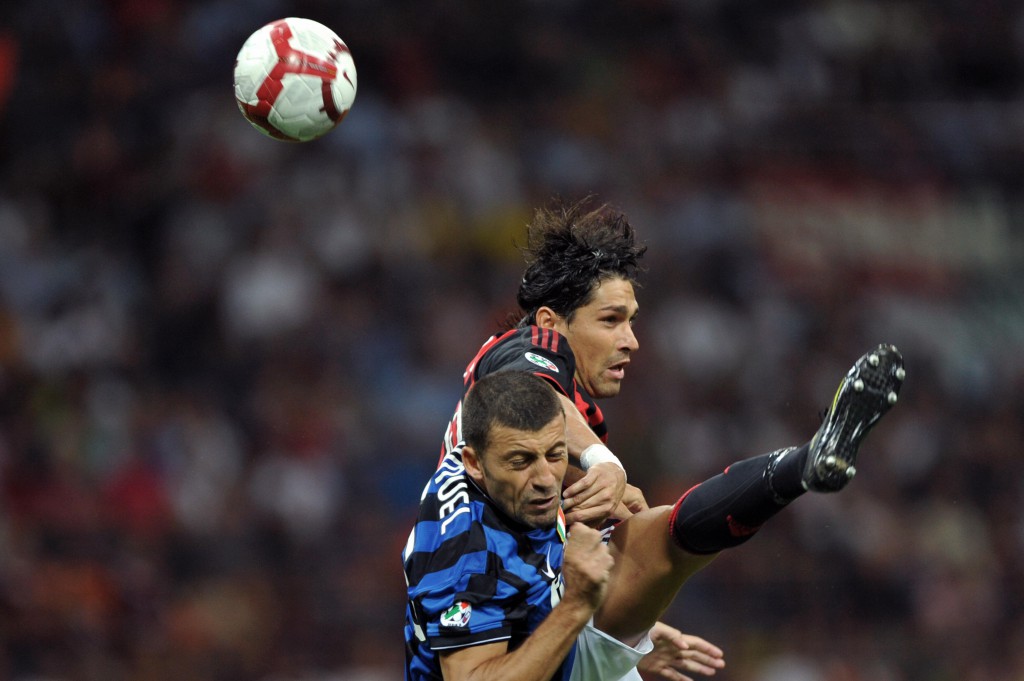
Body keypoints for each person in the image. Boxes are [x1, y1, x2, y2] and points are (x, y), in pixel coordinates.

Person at [405, 349, 904, 679]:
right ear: (473, 461)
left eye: (554, 455)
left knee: (656, 537)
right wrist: (579, 607)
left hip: (558, 643)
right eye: (521, 461)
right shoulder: (457, 545)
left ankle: (804, 463)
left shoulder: (521, 465)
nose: (543, 477)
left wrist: (622, 631)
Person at [437, 197, 727, 678]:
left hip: (529, 628)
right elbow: (534, 389)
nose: (631, 339)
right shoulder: (519, 351)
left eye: (631, 320)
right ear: (552, 324)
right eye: (612, 320)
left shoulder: (570, 417)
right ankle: (795, 471)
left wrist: (627, 639)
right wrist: (603, 460)